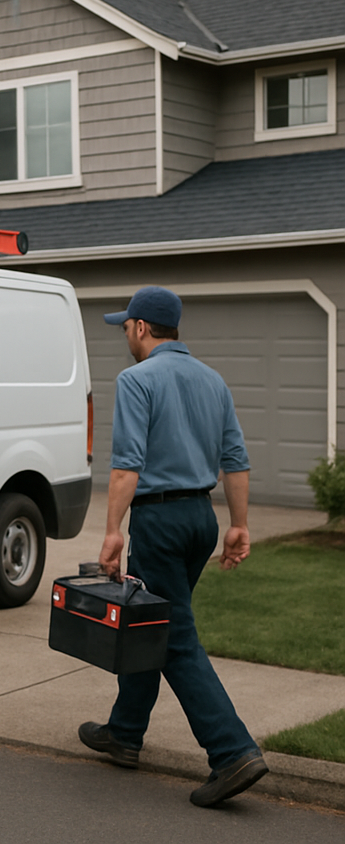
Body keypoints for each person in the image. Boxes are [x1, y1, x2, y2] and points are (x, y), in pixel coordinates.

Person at [78, 286, 268, 807]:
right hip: (200, 519)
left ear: (141, 327)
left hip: (159, 520)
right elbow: (235, 459)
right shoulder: (212, 380)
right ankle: (124, 732)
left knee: (174, 637)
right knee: (152, 624)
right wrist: (239, 525)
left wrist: (113, 531)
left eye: (126, 327)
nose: (125, 335)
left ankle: (232, 752)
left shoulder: (137, 379)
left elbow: (127, 465)